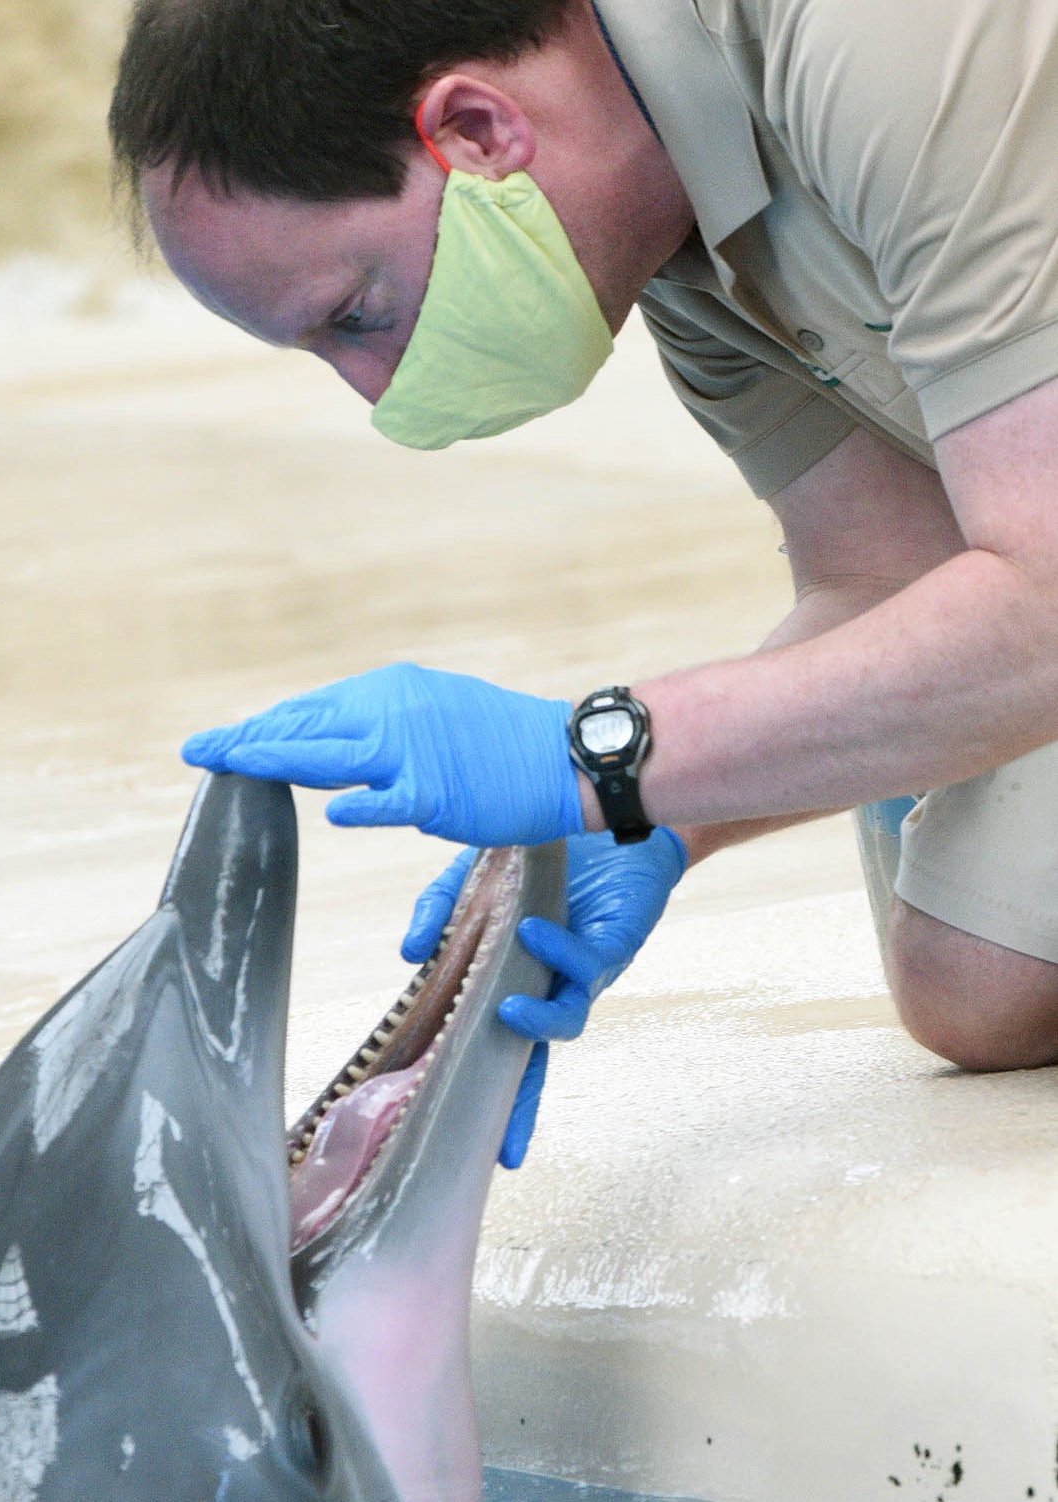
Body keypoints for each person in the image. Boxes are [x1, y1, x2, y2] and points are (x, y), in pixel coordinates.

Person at [107, 0, 1058, 1165]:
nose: (372, 390)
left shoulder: (872, 39)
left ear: (476, 128)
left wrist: (599, 754)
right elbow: (886, 572)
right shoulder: (677, 232)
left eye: (356, 314)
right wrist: (656, 819)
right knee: (977, 979)